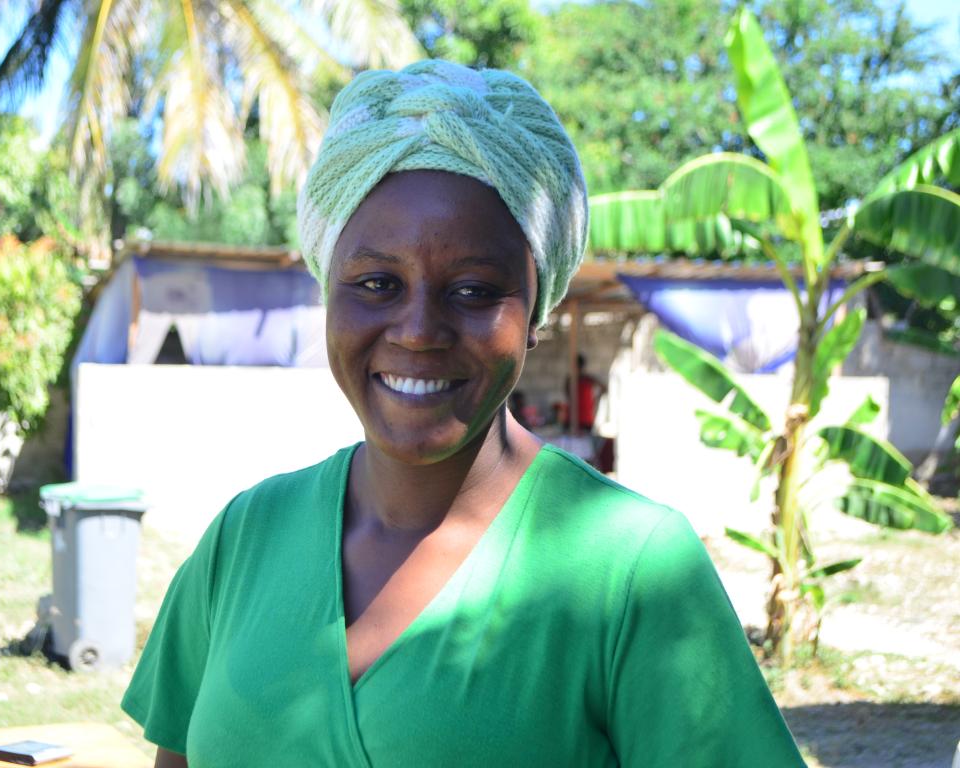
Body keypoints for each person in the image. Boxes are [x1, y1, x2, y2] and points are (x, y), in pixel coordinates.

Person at [121, 60, 805, 767]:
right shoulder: (244, 539)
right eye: (376, 283)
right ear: (329, 293)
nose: (419, 331)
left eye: (475, 290)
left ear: (535, 313)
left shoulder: (632, 570)